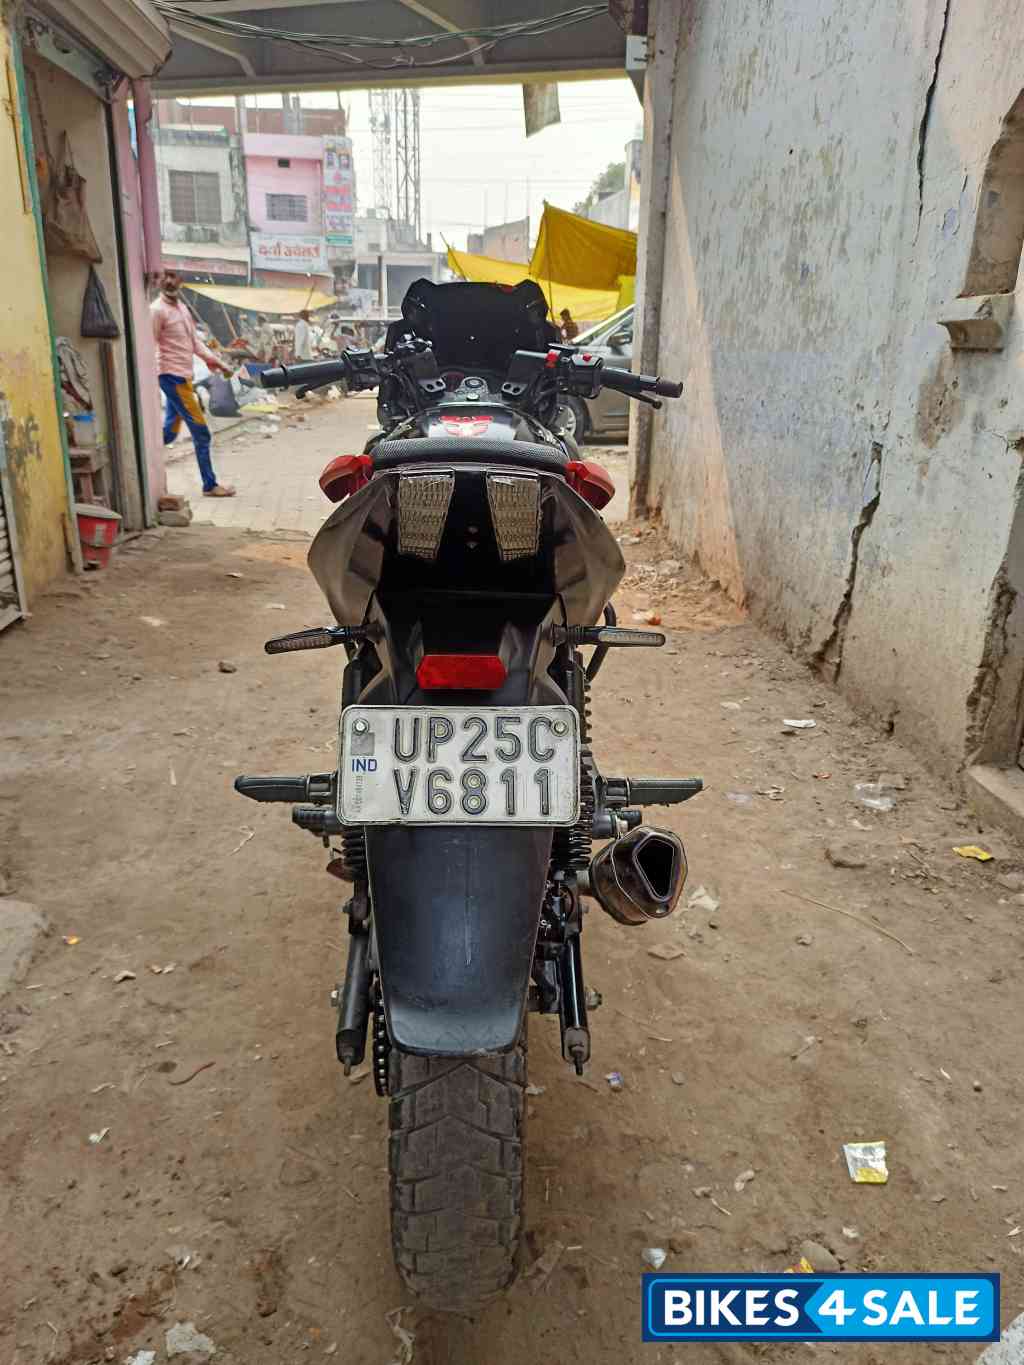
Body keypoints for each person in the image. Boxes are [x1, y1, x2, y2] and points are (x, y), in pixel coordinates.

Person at [151, 271, 235, 498]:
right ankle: (209, 485)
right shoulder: (157, 311)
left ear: (180, 283)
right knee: (201, 433)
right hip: (172, 377)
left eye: (174, 278)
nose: (170, 282)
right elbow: (149, 345)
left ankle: (144, 452)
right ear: (159, 283)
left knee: (168, 433)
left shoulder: (182, 308)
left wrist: (218, 363)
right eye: (165, 278)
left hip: (183, 377)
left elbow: (194, 343)